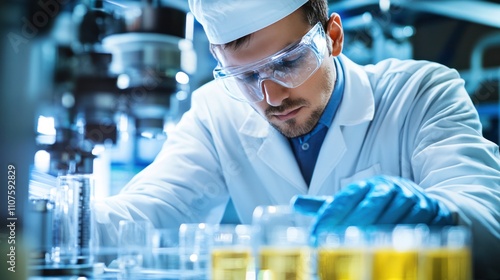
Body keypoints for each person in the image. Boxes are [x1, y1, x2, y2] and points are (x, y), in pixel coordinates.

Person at [94, 0, 500, 278]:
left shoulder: (420, 93)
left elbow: (488, 219)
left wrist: (437, 213)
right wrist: (44, 222)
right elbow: (145, 215)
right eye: (245, 77)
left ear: (333, 37)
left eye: (288, 62)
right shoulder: (216, 110)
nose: (271, 97)